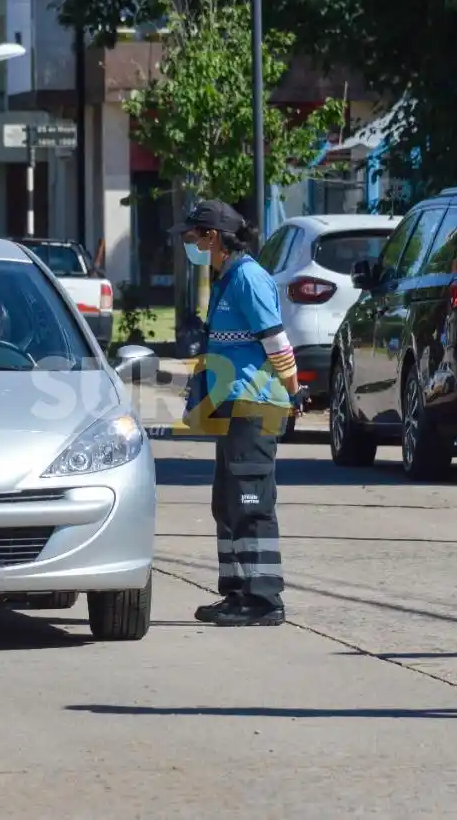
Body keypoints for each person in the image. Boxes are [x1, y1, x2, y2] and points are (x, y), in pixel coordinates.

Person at [172, 200, 309, 628]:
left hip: (255, 404)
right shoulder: (227, 278)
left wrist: (294, 390)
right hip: (232, 404)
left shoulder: (249, 277)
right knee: (228, 502)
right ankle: (236, 593)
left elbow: (276, 341)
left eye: (193, 236)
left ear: (213, 237)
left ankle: (263, 599)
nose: (189, 243)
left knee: (251, 502)